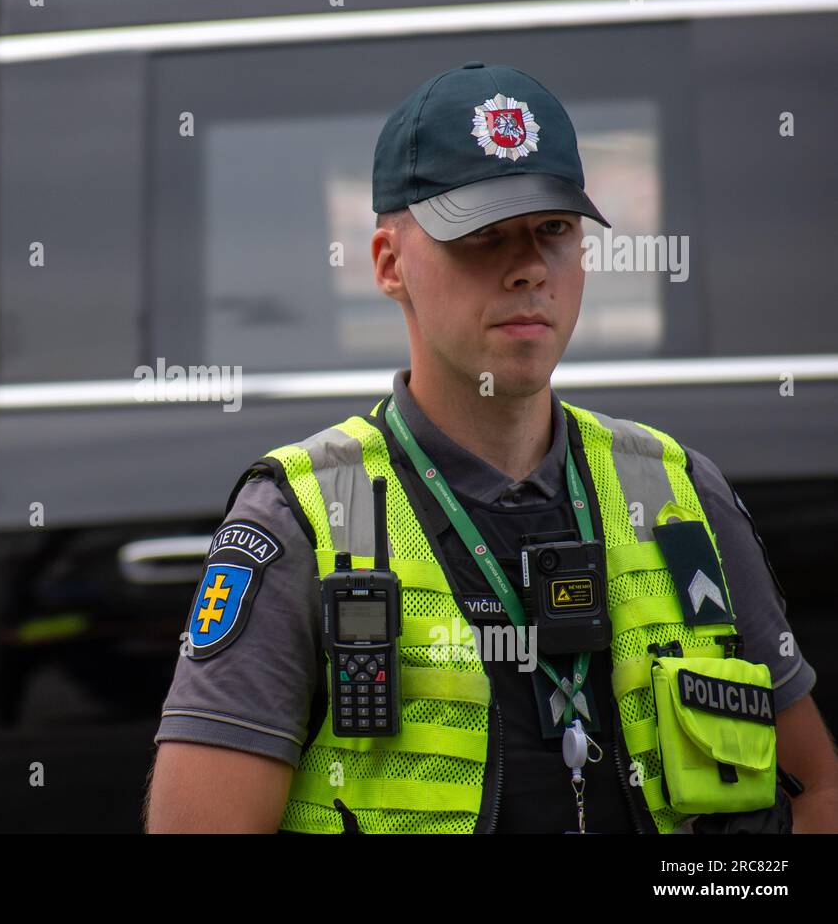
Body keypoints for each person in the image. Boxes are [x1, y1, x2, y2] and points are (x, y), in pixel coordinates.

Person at [144, 62, 838, 834]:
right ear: (387, 263)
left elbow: (817, 787)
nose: (529, 268)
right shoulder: (300, 520)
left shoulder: (679, 491)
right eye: (482, 237)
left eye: (554, 230)